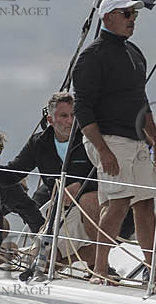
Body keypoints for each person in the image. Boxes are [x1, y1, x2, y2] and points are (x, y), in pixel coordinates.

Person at [74, 0, 156, 282]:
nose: (133, 20)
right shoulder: (92, 56)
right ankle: (99, 270)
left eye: (134, 15)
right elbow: (82, 108)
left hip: (136, 139)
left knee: (145, 204)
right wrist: (103, 150)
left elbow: (141, 100)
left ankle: (154, 272)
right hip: (108, 138)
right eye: (127, 14)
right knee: (119, 201)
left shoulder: (135, 53)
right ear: (108, 17)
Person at [5, 91, 101, 269]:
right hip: (59, 208)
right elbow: (12, 173)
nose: (70, 121)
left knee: (90, 199)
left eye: (73, 115)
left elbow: (108, 174)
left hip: (89, 209)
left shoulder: (90, 138)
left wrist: (79, 186)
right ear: (50, 120)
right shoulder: (40, 142)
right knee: (39, 261)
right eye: (64, 116)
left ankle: (101, 264)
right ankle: (86, 254)